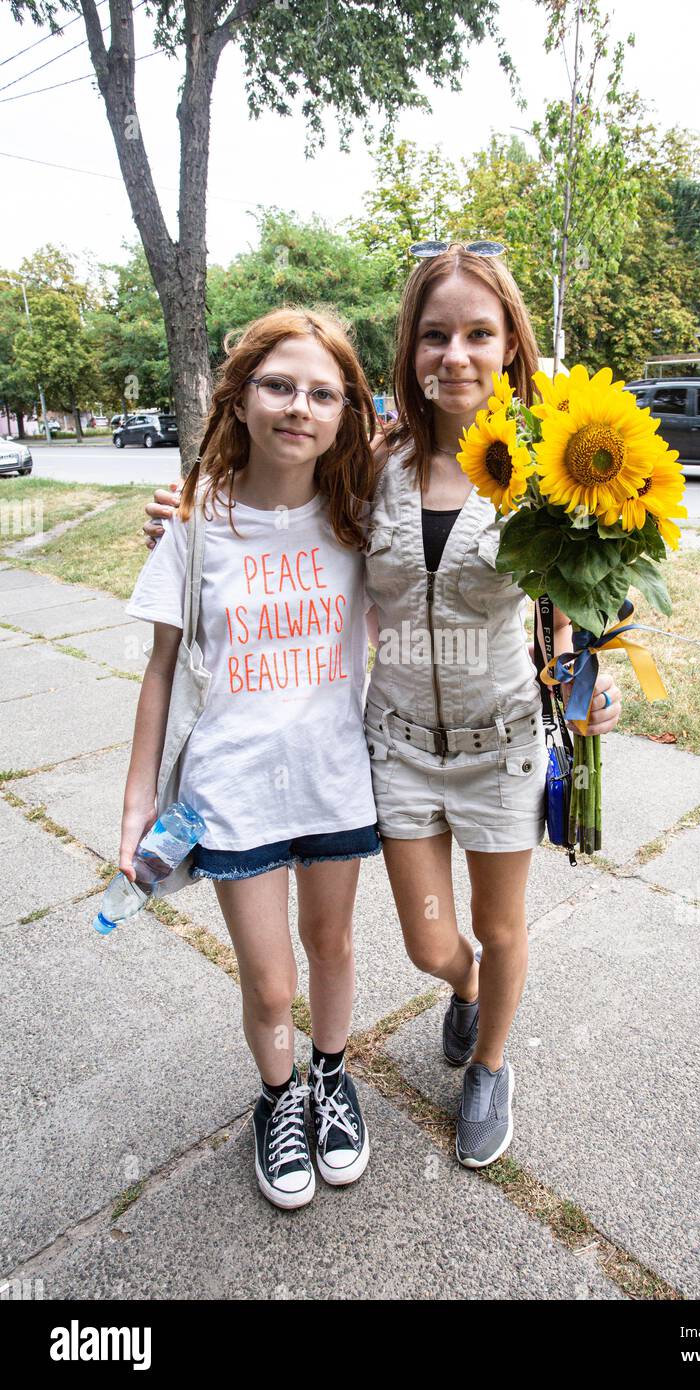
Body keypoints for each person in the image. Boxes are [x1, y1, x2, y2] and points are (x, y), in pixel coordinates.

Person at [143, 246, 623, 1170]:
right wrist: (183, 510)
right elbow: (272, 495)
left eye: (480, 334)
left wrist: (591, 684)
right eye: (436, 335)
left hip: (502, 745)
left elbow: (577, 604)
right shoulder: (370, 465)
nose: (458, 355)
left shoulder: (546, 470)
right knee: (429, 940)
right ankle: (470, 988)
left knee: (502, 925)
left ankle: (489, 1063)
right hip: (396, 750)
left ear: (512, 347)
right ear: (410, 352)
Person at [123, 306, 382, 1209]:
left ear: (348, 411)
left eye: (322, 392)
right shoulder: (194, 527)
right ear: (238, 400)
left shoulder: (359, 522)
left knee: (334, 944)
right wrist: (133, 816)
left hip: (334, 781)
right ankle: (278, 1100)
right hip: (231, 794)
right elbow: (160, 675)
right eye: (278, 386)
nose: (298, 407)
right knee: (270, 981)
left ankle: (332, 1078)